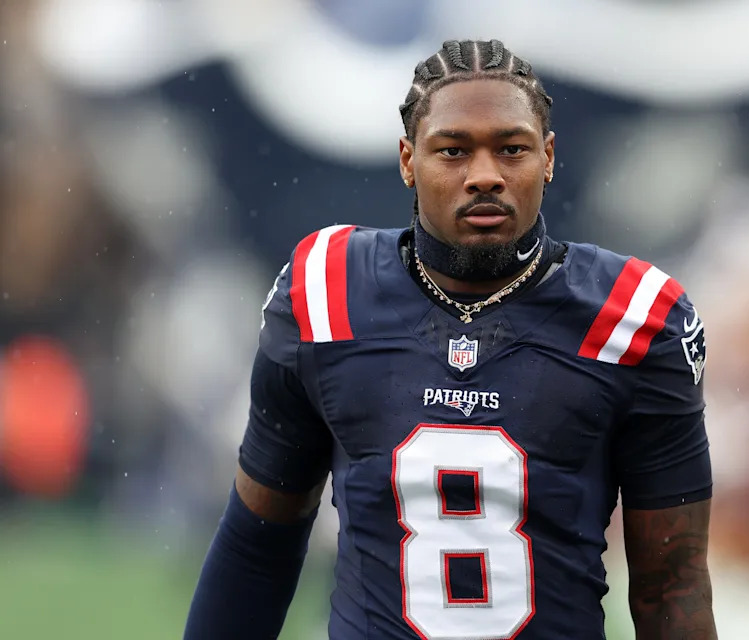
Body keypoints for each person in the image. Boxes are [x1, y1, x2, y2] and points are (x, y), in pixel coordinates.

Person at [184, 39, 716, 640]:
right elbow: (259, 544)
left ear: (547, 156)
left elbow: (671, 584)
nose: (484, 176)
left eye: (511, 149)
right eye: (454, 150)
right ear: (409, 160)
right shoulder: (326, 293)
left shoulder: (635, 318)